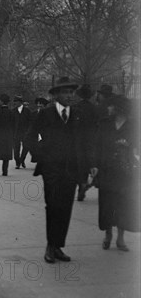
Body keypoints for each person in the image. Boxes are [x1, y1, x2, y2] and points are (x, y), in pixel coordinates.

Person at [30, 77, 92, 264]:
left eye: (71, 92)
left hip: (71, 171)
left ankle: (58, 247)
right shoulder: (46, 114)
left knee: (66, 208)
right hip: (52, 170)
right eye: (65, 92)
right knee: (53, 206)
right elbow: (30, 136)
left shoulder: (78, 115)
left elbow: (84, 144)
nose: (69, 95)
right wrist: (42, 155)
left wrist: (85, 170)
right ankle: (50, 245)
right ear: (56, 95)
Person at [91, 95, 139, 251]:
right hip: (106, 169)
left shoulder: (133, 125)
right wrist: (94, 165)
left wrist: (128, 146)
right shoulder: (104, 123)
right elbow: (96, 145)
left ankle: (120, 238)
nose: (108, 108)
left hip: (125, 171)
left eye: (111, 106)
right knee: (106, 204)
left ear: (119, 109)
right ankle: (108, 234)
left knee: (122, 204)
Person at [74, 84, 99, 201]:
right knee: (90, 162)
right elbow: (97, 125)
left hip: (78, 139)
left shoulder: (75, 107)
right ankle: (87, 183)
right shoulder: (94, 108)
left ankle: (81, 185)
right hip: (91, 139)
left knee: (79, 163)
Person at [12, 95, 32, 169]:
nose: (15, 103)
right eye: (14, 102)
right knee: (16, 149)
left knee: (26, 147)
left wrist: (29, 131)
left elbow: (30, 122)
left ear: (20, 102)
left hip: (25, 132)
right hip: (16, 132)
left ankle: (22, 159)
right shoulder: (13, 111)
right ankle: (17, 162)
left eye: (16, 102)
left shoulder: (27, 111)